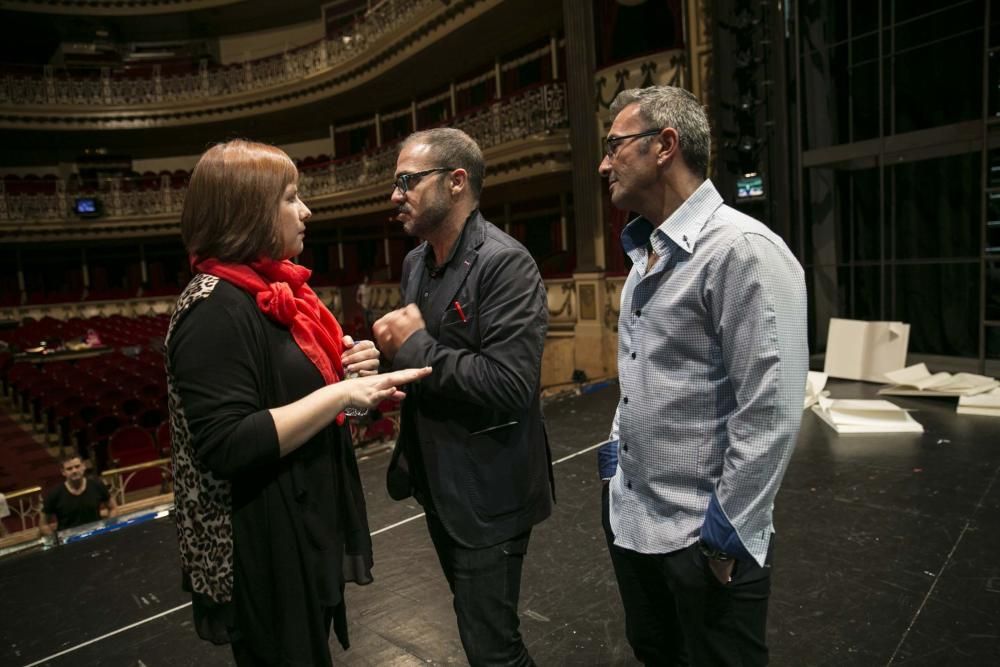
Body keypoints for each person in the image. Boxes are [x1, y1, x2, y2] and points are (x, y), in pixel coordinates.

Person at [166, 139, 431, 666]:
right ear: (248, 211)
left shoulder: (280, 293)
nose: (306, 210)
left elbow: (317, 415)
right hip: (263, 543)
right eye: (291, 198)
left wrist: (357, 389)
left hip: (305, 521)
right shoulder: (213, 307)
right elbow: (228, 444)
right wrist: (338, 390)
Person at [596, 86, 808, 666]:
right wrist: (615, 466)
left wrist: (723, 538)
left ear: (665, 145)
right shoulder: (644, 259)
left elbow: (770, 410)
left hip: (703, 542)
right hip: (634, 524)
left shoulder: (744, 250)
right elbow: (637, 375)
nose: (603, 162)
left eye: (615, 145)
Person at [372, 128, 553, 666]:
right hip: (441, 486)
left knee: (493, 648)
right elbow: (423, 363)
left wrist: (415, 345)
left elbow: (510, 384)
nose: (394, 195)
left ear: (455, 183)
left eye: (407, 181)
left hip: (489, 492)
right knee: (480, 633)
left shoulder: (505, 263)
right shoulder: (415, 262)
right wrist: (380, 357)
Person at [39, 453, 116, 534]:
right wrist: (57, 541)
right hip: (69, 542)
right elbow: (43, 525)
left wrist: (108, 528)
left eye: (77, 466)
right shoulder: (55, 494)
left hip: (96, 535)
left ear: (83, 467)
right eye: (69, 469)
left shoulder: (97, 485)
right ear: (63, 472)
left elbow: (113, 508)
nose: (74, 471)